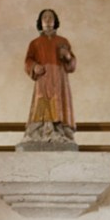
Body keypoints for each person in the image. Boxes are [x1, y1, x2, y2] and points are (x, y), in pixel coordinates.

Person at [22, 8, 76, 144]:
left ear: (55, 21)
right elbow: (28, 60)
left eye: (50, 17)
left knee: (59, 101)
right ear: (40, 22)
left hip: (59, 78)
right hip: (43, 78)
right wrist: (34, 66)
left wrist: (68, 56)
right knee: (42, 102)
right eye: (44, 17)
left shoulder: (63, 41)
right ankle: (42, 131)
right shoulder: (35, 43)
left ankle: (60, 130)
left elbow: (72, 64)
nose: (47, 19)